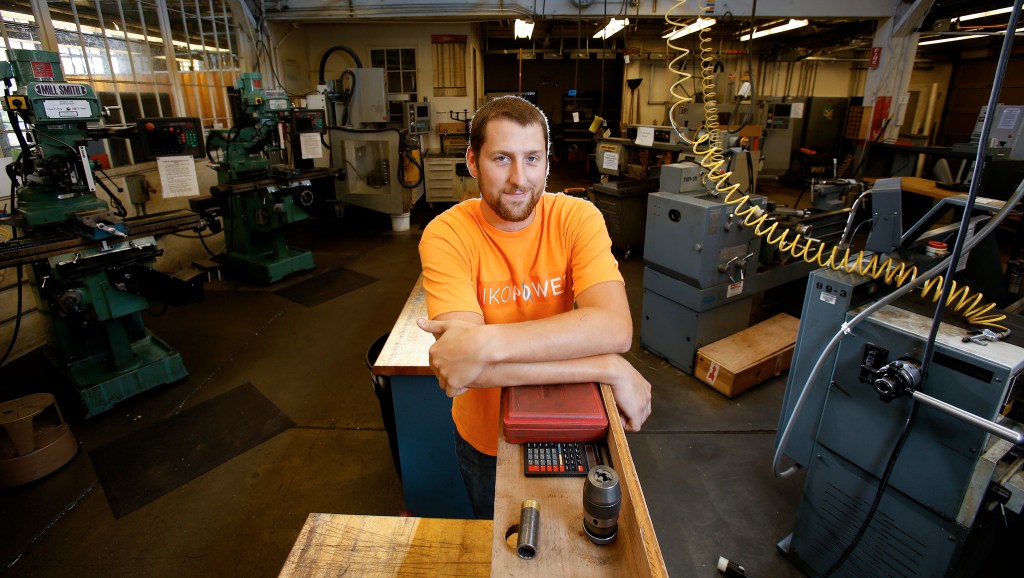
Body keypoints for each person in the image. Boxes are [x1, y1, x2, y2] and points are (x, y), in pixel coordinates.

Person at [416, 95, 652, 519]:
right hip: (487, 442)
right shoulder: (447, 234)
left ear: (546, 162)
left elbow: (615, 327)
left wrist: (485, 343)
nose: (519, 179)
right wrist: (607, 367)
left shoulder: (577, 218)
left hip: (569, 424)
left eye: (532, 159)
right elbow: (466, 370)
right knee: (501, 543)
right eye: (501, 158)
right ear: (472, 161)